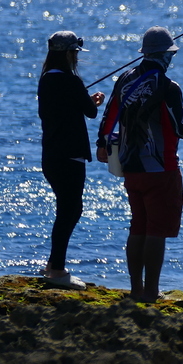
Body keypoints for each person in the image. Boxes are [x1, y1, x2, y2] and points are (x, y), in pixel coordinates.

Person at [96, 26, 183, 302]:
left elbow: (109, 115)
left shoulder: (124, 79)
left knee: (138, 227)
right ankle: (151, 293)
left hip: (130, 167)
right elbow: (181, 128)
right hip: (161, 169)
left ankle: (135, 291)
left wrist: (102, 145)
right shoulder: (168, 87)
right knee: (156, 232)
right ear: (165, 55)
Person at [38, 30, 105, 289]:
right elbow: (90, 112)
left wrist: (82, 100)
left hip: (51, 155)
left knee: (65, 210)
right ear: (68, 53)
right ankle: (56, 270)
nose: (76, 57)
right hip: (70, 157)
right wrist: (94, 101)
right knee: (71, 210)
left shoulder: (46, 79)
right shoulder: (71, 81)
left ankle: (53, 265)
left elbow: (61, 109)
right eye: (75, 52)